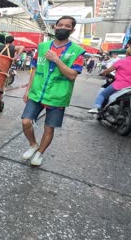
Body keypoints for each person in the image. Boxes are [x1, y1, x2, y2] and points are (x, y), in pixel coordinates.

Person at [21, 15, 86, 166]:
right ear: (55, 27)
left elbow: (72, 75)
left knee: (48, 128)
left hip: (58, 95)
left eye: (67, 26)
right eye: (60, 25)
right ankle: (33, 145)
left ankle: (39, 154)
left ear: (72, 30)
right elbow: (35, 69)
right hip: (37, 93)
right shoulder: (42, 47)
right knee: (25, 121)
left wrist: (57, 60)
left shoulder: (78, 51)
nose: (63, 28)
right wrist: (27, 90)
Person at [88, 45, 131, 113]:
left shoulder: (121, 61)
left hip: (119, 85)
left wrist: (102, 73)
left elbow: (108, 70)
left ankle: (96, 108)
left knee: (102, 94)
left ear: (127, 53)